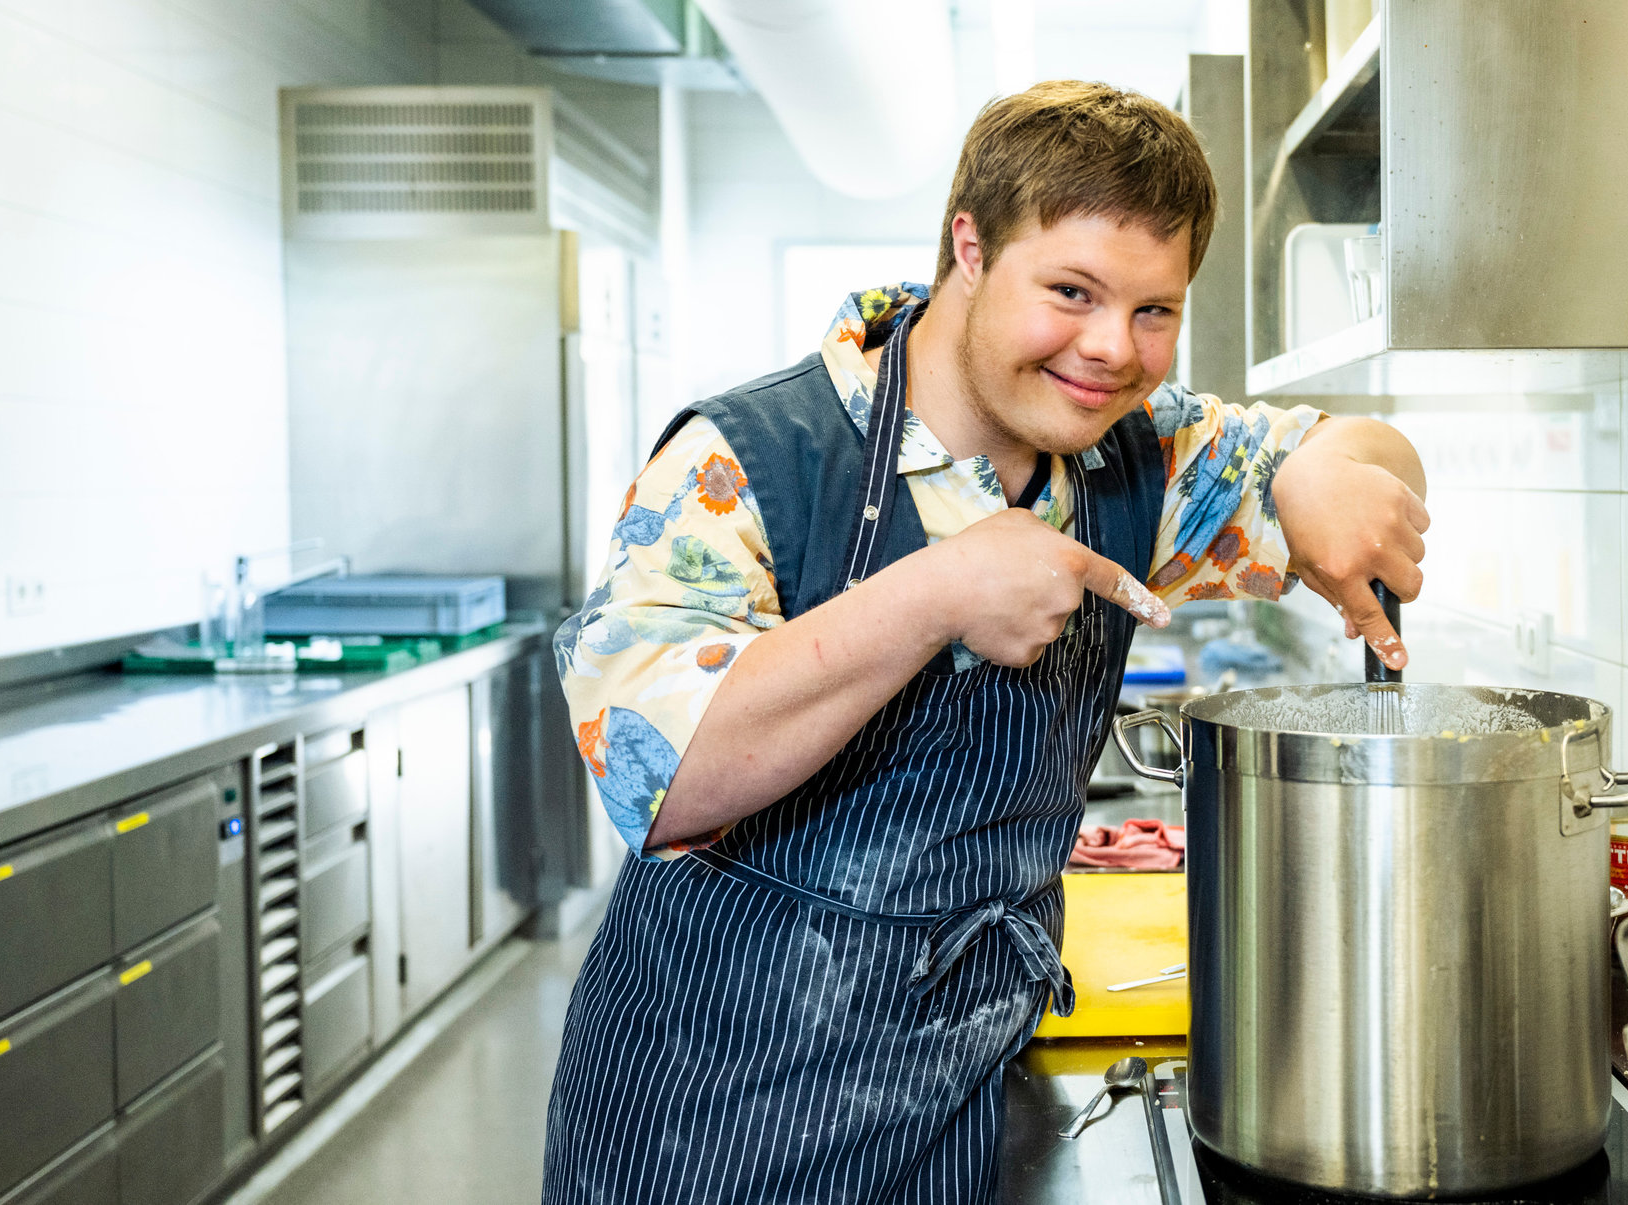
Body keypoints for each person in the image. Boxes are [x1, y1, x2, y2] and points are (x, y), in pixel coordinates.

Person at [540, 80, 1427, 1203]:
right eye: (1072, 290)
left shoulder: (1134, 456)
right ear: (970, 243)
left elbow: (1377, 456)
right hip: (720, 1113)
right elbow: (661, 777)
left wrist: (1324, 465)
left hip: (966, 1091)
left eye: (1156, 310)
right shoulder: (746, 460)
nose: (1114, 348)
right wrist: (939, 590)